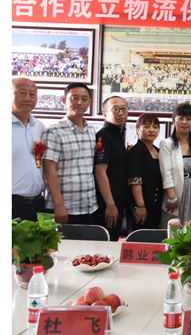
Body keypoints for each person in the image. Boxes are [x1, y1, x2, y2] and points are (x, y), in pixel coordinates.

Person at [42, 83, 99, 225]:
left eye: (84, 99)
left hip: (89, 206)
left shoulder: (91, 130)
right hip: (64, 207)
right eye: (74, 98)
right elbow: (49, 170)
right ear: (64, 101)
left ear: (90, 103)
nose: (79, 102)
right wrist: (59, 204)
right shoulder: (54, 131)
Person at [159, 103, 191, 228]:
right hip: (177, 192)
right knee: (175, 229)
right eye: (180, 118)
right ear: (174, 121)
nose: (185, 122)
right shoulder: (166, 143)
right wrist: (172, 198)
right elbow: (166, 173)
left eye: (188, 119)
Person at [94, 95, 131, 241]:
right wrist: (110, 205)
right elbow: (100, 172)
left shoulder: (118, 134)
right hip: (108, 204)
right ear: (104, 114)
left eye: (124, 109)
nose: (121, 113)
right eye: (115, 109)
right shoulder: (103, 137)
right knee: (106, 243)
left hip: (118, 201)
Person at [12, 77, 47, 221]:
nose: (27, 98)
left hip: (37, 204)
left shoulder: (39, 126)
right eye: (22, 93)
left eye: (32, 94)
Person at [127, 113, 163, 230]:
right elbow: (135, 181)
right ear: (138, 129)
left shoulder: (158, 150)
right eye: (146, 126)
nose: (151, 130)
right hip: (143, 207)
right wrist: (140, 206)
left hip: (156, 205)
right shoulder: (136, 151)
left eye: (155, 127)